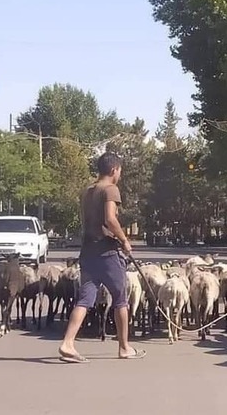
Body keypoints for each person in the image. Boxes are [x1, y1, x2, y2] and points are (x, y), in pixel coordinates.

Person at [58, 152, 145, 363]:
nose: (120, 175)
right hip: (107, 253)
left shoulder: (87, 191)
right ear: (114, 169)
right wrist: (124, 240)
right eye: (120, 171)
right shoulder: (110, 189)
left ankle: (67, 343)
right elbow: (110, 219)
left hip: (87, 252)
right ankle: (124, 347)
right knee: (120, 299)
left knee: (86, 299)